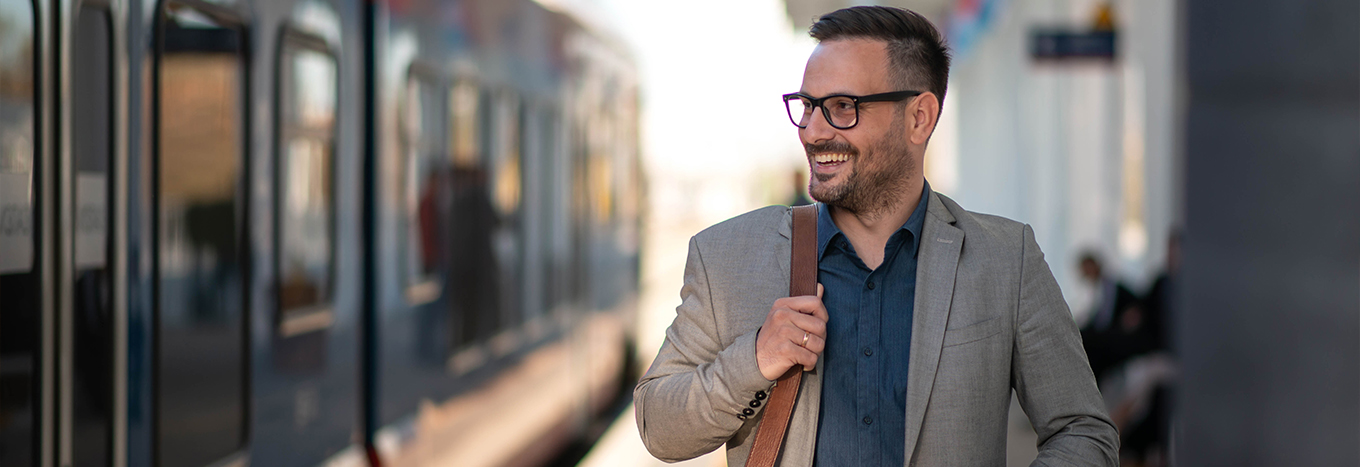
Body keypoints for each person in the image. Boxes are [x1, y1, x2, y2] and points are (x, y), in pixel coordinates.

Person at [634, 6, 1117, 466]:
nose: (812, 131)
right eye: (807, 106)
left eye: (842, 107)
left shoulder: (1006, 261)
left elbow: (1082, 430)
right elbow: (657, 425)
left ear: (919, 118)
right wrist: (756, 358)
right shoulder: (727, 257)